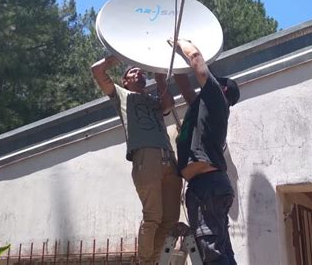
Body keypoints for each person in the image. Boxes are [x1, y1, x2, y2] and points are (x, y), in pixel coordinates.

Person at [91, 56, 182, 265]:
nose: (139, 73)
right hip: (145, 157)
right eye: (132, 72)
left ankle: (155, 261)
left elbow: (168, 104)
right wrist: (122, 54)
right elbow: (97, 70)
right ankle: (145, 262)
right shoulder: (121, 95)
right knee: (153, 217)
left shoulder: (153, 100)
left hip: (168, 156)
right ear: (125, 81)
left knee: (169, 220)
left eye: (141, 71)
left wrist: (160, 79)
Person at [171, 39, 240, 265]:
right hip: (209, 186)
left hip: (207, 186)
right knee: (219, 251)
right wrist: (166, 65)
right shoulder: (206, 108)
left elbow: (196, 60)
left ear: (223, 90)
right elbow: (186, 89)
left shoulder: (217, 98)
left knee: (212, 254)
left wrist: (181, 42)